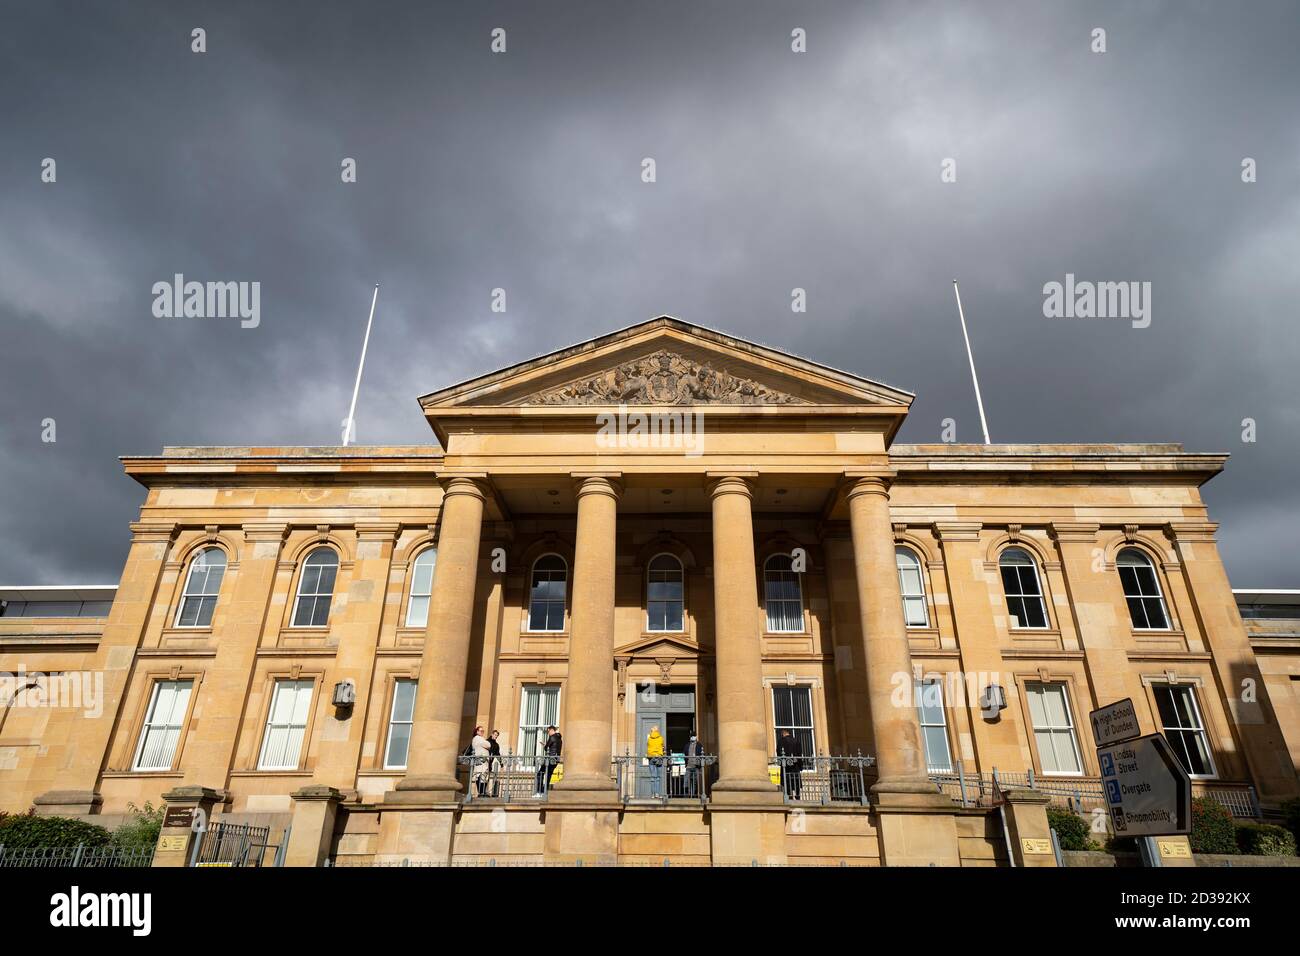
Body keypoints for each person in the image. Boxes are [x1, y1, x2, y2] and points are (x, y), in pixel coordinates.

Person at [535, 725, 562, 796]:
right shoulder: (559, 739)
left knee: (540, 773)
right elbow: (554, 747)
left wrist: (545, 745)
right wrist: (547, 745)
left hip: (550, 759)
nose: (548, 733)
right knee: (548, 776)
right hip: (556, 760)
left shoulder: (552, 737)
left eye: (548, 731)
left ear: (551, 730)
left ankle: (539, 791)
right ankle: (545, 792)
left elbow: (546, 748)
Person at [776, 729, 803, 800]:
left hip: (786, 767)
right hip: (795, 765)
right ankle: (797, 796)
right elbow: (799, 754)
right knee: (796, 781)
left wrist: (781, 763)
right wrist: (800, 766)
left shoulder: (780, 741)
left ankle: (789, 797)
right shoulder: (796, 740)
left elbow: (779, 754)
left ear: (783, 734)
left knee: (787, 782)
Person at [645, 725, 666, 799]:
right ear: (657, 731)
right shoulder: (661, 738)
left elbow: (647, 746)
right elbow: (663, 747)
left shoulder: (649, 738)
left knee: (652, 776)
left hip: (651, 758)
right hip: (658, 757)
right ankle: (657, 793)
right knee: (658, 777)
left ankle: (652, 794)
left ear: (652, 731)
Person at [470, 725, 490, 797]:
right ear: (477, 731)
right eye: (481, 731)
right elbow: (488, 745)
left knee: (482, 775)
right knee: (481, 775)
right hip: (481, 760)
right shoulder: (478, 738)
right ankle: (481, 792)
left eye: (483, 731)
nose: (482, 732)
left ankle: (482, 792)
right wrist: (486, 742)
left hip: (481, 760)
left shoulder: (478, 739)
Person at [684, 733, 704, 798]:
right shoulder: (687, 745)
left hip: (696, 766)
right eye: (692, 736)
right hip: (689, 765)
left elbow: (702, 754)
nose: (693, 737)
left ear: (696, 737)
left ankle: (695, 794)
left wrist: (699, 763)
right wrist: (686, 762)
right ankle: (687, 794)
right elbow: (685, 754)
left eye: (694, 736)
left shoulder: (699, 745)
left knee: (695, 781)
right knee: (686, 780)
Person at [486, 729, 502, 797]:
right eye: (495, 735)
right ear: (492, 734)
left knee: (487, 777)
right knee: (483, 777)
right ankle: (482, 792)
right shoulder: (486, 742)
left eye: (497, 736)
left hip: (490, 762)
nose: (496, 736)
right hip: (485, 761)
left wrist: (501, 764)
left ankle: (485, 792)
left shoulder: (496, 745)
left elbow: (498, 754)